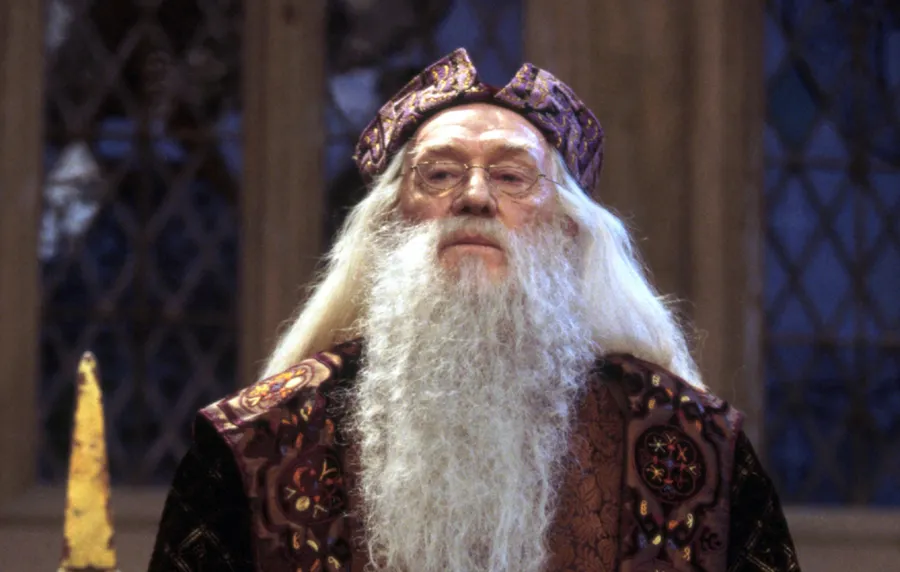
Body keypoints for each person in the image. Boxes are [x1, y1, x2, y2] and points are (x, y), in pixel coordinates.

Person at [148, 48, 801, 572]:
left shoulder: (692, 444)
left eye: (513, 175)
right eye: (438, 173)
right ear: (389, 224)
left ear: (568, 231)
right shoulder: (261, 442)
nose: (475, 196)